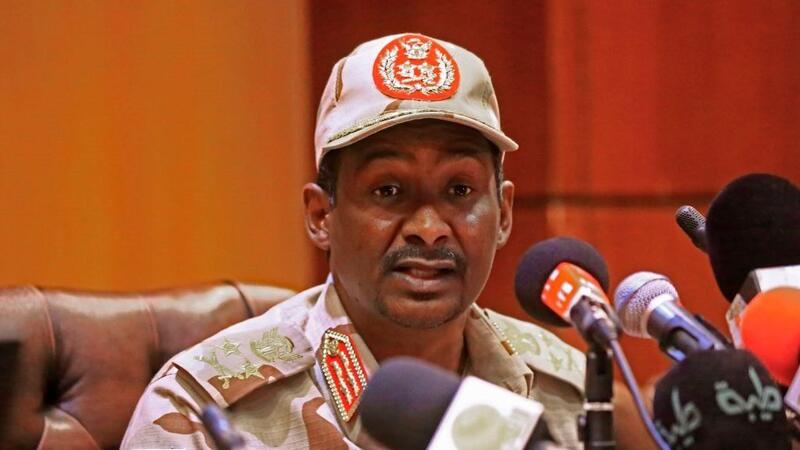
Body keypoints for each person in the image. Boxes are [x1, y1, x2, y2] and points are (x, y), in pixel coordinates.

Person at [122, 33, 585, 449]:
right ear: (321, 215)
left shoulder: (573, 395)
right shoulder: (203, 409)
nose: (428, 228)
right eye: (388, 191)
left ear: (503, 214)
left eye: (459, 190)